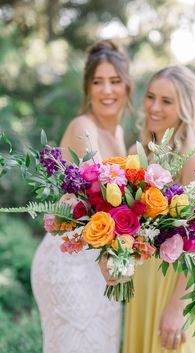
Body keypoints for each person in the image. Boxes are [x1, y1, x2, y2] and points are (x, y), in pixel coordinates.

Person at [31, 39, 133, 353]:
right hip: (70, 263)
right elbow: (99, 204)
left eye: (114, 81)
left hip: (102, 265)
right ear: (87, 88)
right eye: (97, 82)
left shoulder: (118, 134)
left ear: (127, 87)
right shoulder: (83, 126)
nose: (106, 90)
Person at [123, 66, 195, 353]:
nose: (154, 107)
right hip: (144, 279)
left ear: (184, 107)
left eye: (166, 101)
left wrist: (177, 307)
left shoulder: (193, 155)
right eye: (151, 97)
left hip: (179, 282)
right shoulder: (137, 151)